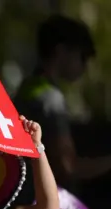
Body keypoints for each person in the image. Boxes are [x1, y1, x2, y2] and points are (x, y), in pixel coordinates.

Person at [14, 15, 107, 194]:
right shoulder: (51, 99)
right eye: (83, 56)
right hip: (42, 201)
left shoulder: (26, 88)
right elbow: (67, 167)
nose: (85, 66)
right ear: (61, 51)